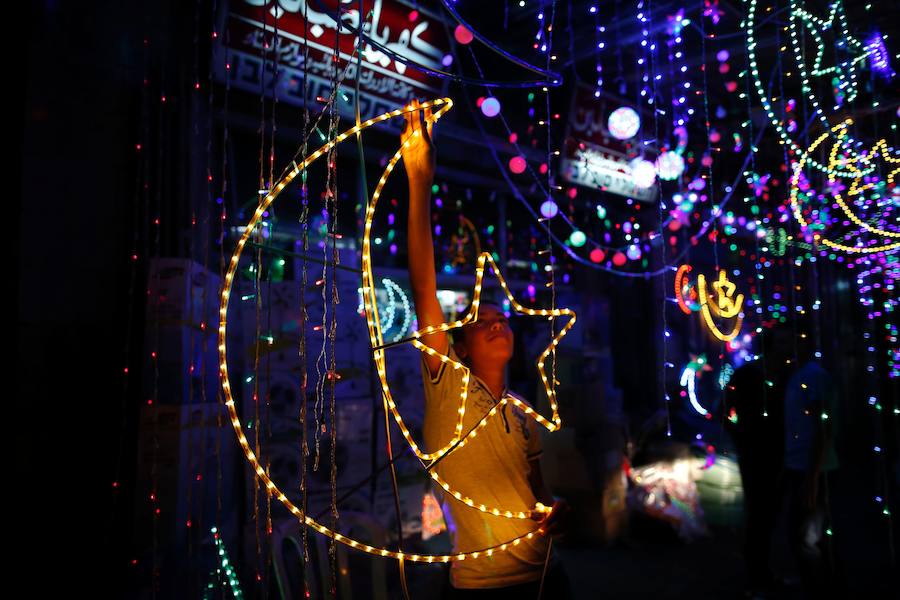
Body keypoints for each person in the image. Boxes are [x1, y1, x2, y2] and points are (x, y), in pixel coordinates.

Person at [401, 98, 573, 599]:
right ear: (460, 346)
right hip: (482, 587)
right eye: (482, 322)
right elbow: (424, 288)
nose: (497, 325)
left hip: (547, 577)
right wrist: (419, 181)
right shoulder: (448, 388)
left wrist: (554, 509)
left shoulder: (521, 415)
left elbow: (540, 495)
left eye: (503, 321)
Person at [723, 326, 790, 598]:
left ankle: (760, 574)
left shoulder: (774, 376)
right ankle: (756, 578)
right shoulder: (754, 376)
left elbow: (725, 412)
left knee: (765, 514)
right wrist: (742, 439)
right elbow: (725, 411)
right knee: (760, 516)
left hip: (767, 453)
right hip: (758, 455)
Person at [781, 326, 840, 598]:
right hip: (801, 466)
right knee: (805, 536)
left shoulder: (813, 377)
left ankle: (819, 591)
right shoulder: (797, 375)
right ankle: (817, 586)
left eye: (790, 340)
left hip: (812, 468)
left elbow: (822, 428)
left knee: (808, 538)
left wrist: (813, 476)